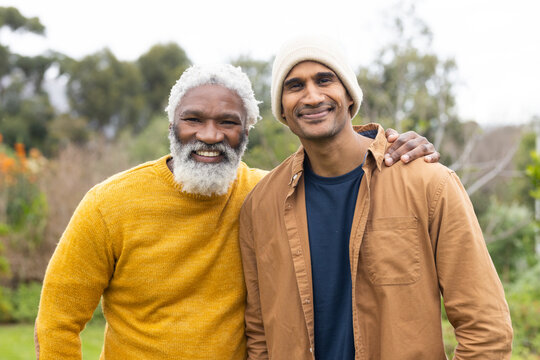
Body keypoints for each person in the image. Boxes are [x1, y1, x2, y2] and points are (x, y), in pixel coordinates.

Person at [35, 63, 439, 359]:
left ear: (247, 130)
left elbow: (341, 173)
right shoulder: (109, 204)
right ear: (172, 124)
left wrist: (392, 145)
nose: (209, 136)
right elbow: (57, 322)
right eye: (193, 119)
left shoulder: (269, 196)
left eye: (227, 122)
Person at [239, 36, 513, 360]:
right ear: (281, 108)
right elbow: (259, 338)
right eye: (295, 85)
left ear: (349, 95)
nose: (312, 96)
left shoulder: (428, 183)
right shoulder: (260, 206)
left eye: (325, 80)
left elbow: (486, 330)